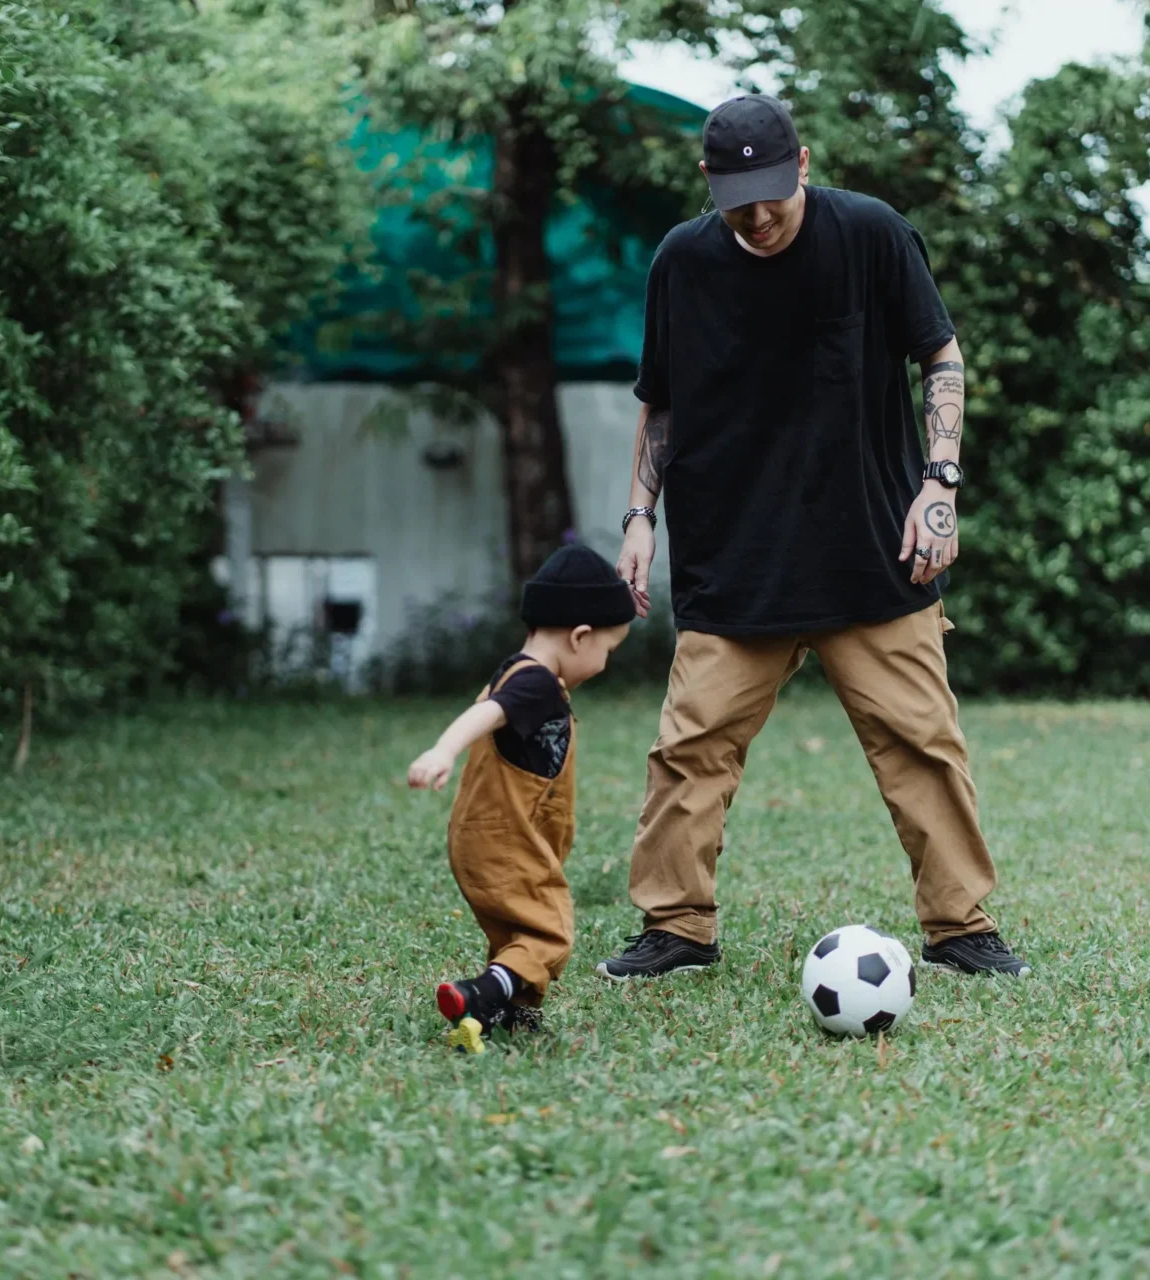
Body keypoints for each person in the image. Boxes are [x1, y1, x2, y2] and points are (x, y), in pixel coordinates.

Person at [596, 94, 1029, 983]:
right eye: (736, 200)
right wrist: (639, 517)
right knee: (689, 749)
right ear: (707, 184)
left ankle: (961, 927)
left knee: (922, 744)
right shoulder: (683, 261)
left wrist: (938, 486)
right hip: (735, 553)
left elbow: (940, 357)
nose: (757, 218)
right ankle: (677, 926)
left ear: (802, 165)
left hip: (873, 547)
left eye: (772, 196)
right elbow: (662, 400)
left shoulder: (872, 234)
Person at [408, 544, 634, 1052]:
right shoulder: (534, 682)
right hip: (506, 842)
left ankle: (505, 1013)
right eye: (608, 650)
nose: (605, 662)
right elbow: (487, 713)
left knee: (515, 936)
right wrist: (443, 749)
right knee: (549, 931)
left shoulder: (518, 671)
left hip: (487, 839)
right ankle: (477, 993)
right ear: (580, 637)